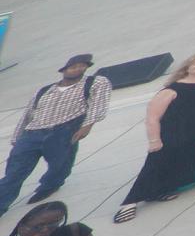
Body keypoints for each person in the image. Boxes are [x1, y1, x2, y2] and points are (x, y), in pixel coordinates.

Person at [114, 49, 195, 223]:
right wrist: (154, 140)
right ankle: (130, 203)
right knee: (155, 164)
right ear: (188, 66)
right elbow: (152, 118)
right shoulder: (172, 90)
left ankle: (161, 191)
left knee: (183, 160)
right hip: (172, 133)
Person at [0, 54, 112, 216]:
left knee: (59, 165)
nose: (78, 69)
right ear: (64, 70)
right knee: (14, 172)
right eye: (73, 66)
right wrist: (17, 137)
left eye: (82, 66)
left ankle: (50, 185)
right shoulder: (45, 90)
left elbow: (98, 105)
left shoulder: (95, 82)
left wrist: (87, 126)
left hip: (63, 130)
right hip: (32, 134)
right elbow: (28, 114)